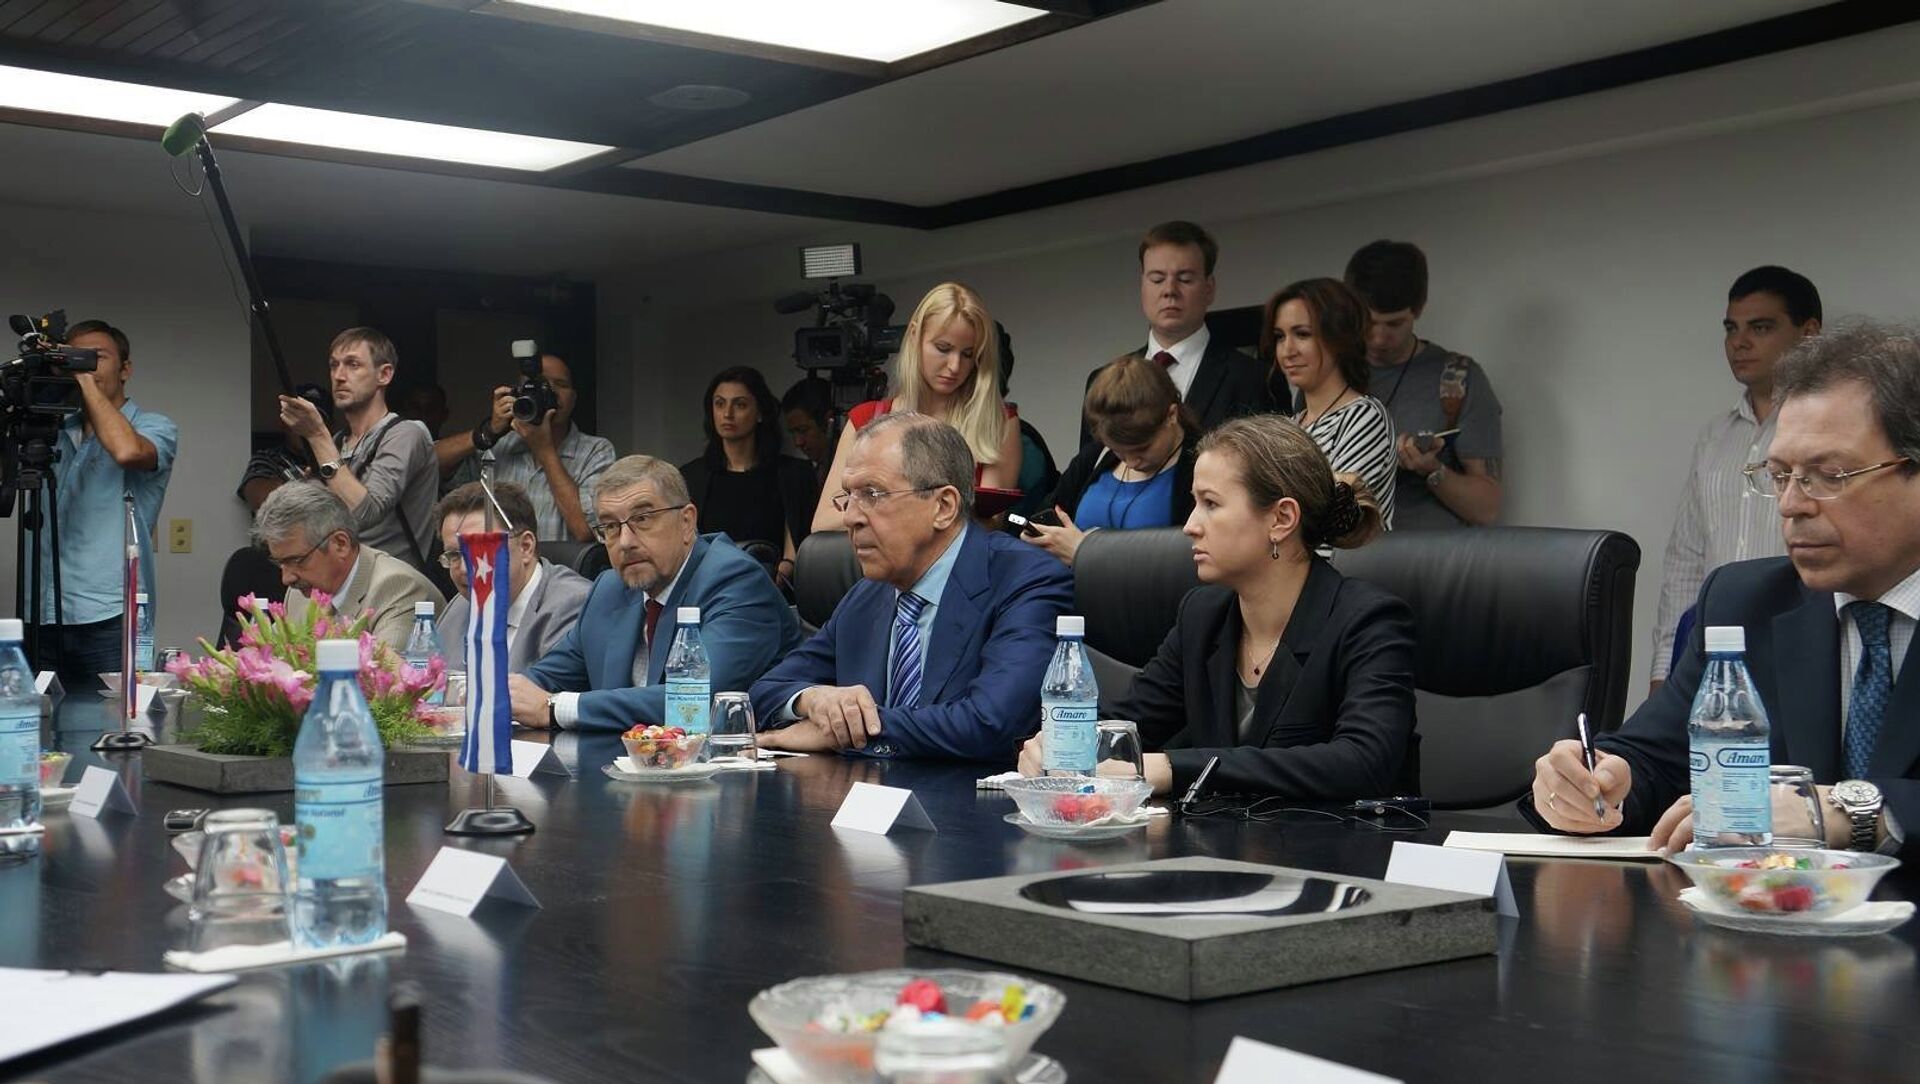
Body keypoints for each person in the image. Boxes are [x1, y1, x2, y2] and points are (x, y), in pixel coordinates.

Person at [1525, 321, 1920, 858]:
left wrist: (1842, 811)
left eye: (1829, 475)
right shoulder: (1746, 601)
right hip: (1771, 908)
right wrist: (1597, 782)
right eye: (1779, 475)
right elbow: (1655, 759)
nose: (1792, 505)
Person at [1016, 415, 1416, 799]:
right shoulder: (1202, 615)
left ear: (1281, 518)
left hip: (1338, 845)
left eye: (1210, 503)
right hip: (1218, 841)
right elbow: (1132, 724)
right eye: (1194, 503)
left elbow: (1364, 762)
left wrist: (1172, 769)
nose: (1190, 525)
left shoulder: (1368, 621)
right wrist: (1062, 744)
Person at [755, 413, 1075, 760]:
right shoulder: (867, 595)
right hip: (859, 789)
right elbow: (763, 692)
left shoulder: (1026, 579)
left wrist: (846, 732)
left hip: (968, 792)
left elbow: (990, 723)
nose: (850, 517)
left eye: (872, 494)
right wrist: (813, 700)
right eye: (848, 496)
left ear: (943, 507)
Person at [510, 456, 801, 731]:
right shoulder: (609, 588)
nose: (625, 542)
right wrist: (501, 694)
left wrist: (556, 707)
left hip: (737, 763)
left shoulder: (735, 580)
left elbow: (692, 701)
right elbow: (543, 680)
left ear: (687, 522)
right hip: (624, 761)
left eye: (643, 518)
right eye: (610, 526)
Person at [1650, 266, 1821, 692]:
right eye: (1731, 328)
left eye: (1760, 328)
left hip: (1802, 647)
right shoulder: (1716, 437)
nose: (1738, 342)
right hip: (1714, 655)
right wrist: (1663, 671)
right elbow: (1686, 560)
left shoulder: (1831, 433)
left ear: (1809, 334)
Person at [29, 319, 178, 689]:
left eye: (96, 356)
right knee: (42, 720)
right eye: (74, 357)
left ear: (125, 369)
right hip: (43, 612)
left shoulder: (154, 426)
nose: (85, 365)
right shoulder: (53, 432)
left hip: (111, 617)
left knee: (115, 721)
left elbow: (127, 451)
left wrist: (82, 378)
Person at [810, 283, 1022, 532]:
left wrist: (883, 506)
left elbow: (990, 525)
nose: (955, 366)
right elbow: (823, 523)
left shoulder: (998, 421)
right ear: (914, 336)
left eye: (968, 354)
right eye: (943, 348)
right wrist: (917, 509)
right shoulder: (865, 419)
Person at [1078, 220, 1278, 449]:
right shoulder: (1101, 381)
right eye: (1157, 279)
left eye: (1185, 279)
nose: (1169, 291)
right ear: (1142, 286)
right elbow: (1090, 468)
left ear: (1209, 289)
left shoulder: (1254, 379)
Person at [1345, 240, 1504, 528]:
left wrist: (1431, 469)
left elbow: (1486, 508)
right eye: (1368, 322)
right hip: (1348, 548)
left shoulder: (1457, 378)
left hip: (1431, 552)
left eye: (1394, 324)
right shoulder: (1327, 376)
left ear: (1418, 310)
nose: (1379, 338)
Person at [277, 327, 439, 570]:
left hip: (392, 583)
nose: (339, 376)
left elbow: (365, 513)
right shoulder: (338, 441)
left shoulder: (406, 433)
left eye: (353, 364)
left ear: (384, 374)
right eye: (334, 365)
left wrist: (317, 436)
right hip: (340, 581)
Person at [1023, 355, 1199, 566]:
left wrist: (1086, 555)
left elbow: (1189, 564)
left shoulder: (1200, 467)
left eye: (1142, 448)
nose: (1132, 462)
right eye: (1119, 451)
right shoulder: (1096, 455)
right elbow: (1048, 509)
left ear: (1171, 415)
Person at [435, 350, 616, 543]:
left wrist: (545, 451)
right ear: (518, 394)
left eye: (560, 384)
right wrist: (488, 431)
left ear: (573, 398)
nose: (549, 392)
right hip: (500, 562)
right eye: (539, 385)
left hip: (560, 563)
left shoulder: (596, 451)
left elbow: (585, 530)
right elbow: (428, 463)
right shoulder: (498, 447)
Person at [1269, 278, 1397, 529]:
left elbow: (1334, 517)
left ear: (1339, 338)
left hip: (1342, 556)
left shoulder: (1365, 416)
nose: (1287, 350)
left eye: (1302, 334)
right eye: (1280, 337)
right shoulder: (1289, 427)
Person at [254, 482, 442, 649]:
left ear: (341, 544)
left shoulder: (397, 589)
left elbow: (386, 674)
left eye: (297, 560)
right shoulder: (299, 595)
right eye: (280, 563)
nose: (286, 578)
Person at [433, 481, 592, 674]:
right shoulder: (459, 607)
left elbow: (547, 689)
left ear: (525, 547)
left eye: (480, 551)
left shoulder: (571, 605)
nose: (465, 569)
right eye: (454, 555)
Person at [680, 367, 819, 586]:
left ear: (760, 412)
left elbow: (796, 544)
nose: (727, 413)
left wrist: (784, 569)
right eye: (720, 404)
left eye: (740, 404)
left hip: (773, 587)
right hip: (708, 588)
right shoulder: (691, 476)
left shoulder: (793, 473)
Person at [238, 382, 330, 515]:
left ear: (329, 427)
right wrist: (305, 485)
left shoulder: (338, 459)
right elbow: (258, 496)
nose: (305, 428)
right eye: (299, 421)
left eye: (314, 422)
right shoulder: (269, 458)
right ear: (284, 423)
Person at [781, 376, 836, 485]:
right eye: (793, 433)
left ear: (829, 422)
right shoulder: (808, 476)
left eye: (803, 430)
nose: (798, 442)